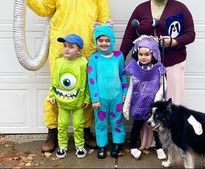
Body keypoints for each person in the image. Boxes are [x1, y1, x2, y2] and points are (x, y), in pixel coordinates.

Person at [25, 0, 111, 152]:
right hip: (60, 49)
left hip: (88, 50)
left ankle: (86, 131)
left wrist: (103, 42)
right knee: (57, 88)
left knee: (87, 90)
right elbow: (45, 9)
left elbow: (104, 19)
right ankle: (52, 133)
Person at [120, 0, 195, 106]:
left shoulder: (180, 8)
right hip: (146, 66)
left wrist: (173, 41)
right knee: (147, 102)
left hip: (173, 62)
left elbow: (190, 35)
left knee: (172, 102)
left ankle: (171, 129)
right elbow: (129, 35)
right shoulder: (141, 9)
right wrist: (119, 58)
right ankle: (148, 129)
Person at [88, 23, 128, 159]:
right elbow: (91, 79)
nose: (104, 43)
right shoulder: (94, 58)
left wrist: (124, 92)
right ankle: (102, 145)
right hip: (100, 99)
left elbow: (123, 74)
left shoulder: (118, 56)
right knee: (101, 123)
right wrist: (95, 99)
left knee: (117, 120)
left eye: (107, 40)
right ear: (96, 41)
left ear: (112, 40)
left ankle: (117, 143)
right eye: (100, 40)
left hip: (117, 97)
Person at [123, 35, 167, 160]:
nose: (143, 57)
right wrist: (126, 105)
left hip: (153, 103)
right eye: (140, 54)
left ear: (153, 54)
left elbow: (164, 84)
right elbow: (131, 87)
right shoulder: (134, 68)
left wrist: (158, 98)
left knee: (155, 126)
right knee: (137, 125)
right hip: (138, 103)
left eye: (147, 54)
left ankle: (159, 147)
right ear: (137, 53)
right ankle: (132, 147)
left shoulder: (158, 68)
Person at [48, 34, 89, 159]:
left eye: (71, 47)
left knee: (78, 125)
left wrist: (87, 97)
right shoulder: (59, 62)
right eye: (65, 46)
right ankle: (62, 146)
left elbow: (87, 81)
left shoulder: (82, 63)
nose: (66, 49)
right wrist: (52, 94)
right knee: (62, 125)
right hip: (62, 101)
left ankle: (80, 146)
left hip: (78, 102)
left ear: (79, 50)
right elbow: (54, 80)